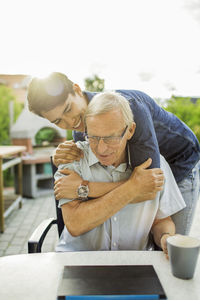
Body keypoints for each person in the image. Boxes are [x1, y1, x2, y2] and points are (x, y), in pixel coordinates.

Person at [27, 72, 200, 235]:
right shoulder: (80, 130)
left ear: (77, 90)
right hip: (153, 168)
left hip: (182, 159)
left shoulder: (129, 110)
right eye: (58, 121)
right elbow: (132, 186)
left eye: (67, 109)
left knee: (171, 243)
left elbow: (147, 190)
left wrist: (82, 188)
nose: (70, 122)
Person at [54, 92, 186, 254]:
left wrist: (166, 237)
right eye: (93, 137)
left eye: (111, 138)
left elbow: (161, 221)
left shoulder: (157, 166)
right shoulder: (72, 159)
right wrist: (133, 187)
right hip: (76, 262)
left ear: (130, 130)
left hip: (133, 265)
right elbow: (75, 224)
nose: (101, 149)